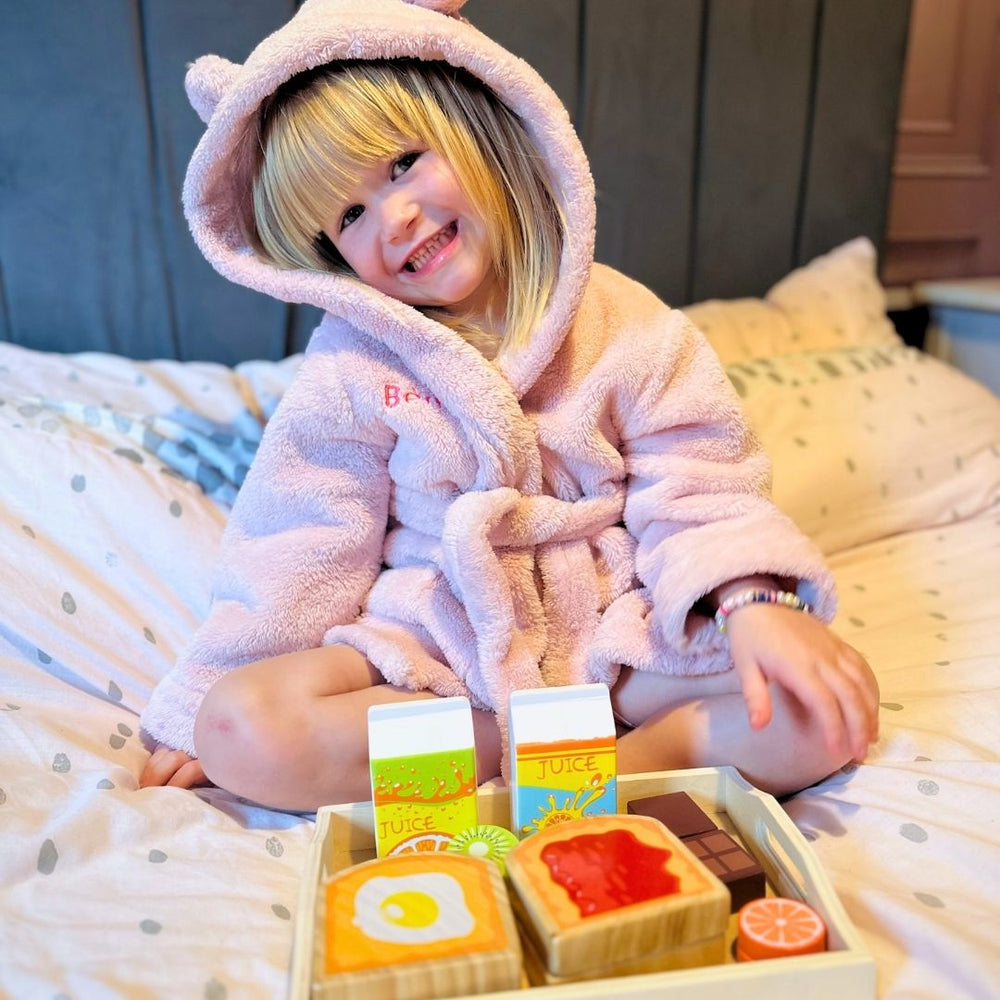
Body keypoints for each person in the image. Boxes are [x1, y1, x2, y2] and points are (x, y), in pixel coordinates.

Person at [139, 0, 878, 811]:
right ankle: (531, 758)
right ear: (325, 258)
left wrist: (750, 604)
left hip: (616, 645)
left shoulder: (624, 321)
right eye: (349, 215)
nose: (397, 217)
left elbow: (699, 482)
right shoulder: (352, 367)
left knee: (827, 704)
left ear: (473, 124)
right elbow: (299, 540)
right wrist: (199, 697)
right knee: (241, 728)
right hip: (447, 655)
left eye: (403, 164)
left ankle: (626, 762)